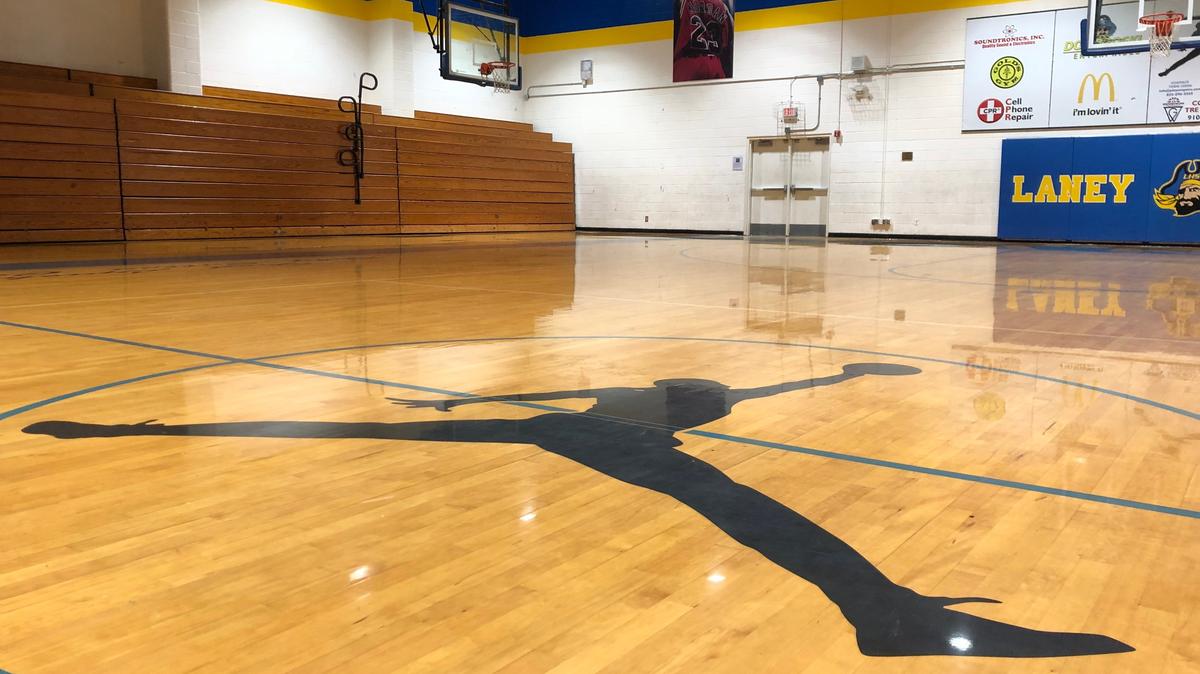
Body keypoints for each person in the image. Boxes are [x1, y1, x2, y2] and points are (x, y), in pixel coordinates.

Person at [24, 363, 1133, 658]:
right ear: (691, 407)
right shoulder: (640, 419)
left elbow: (503, 408)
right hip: (606, 447)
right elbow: (760, 394)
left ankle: (881, 610)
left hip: (579, 433)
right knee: (740, 504)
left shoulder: (622, 405)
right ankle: (882, 613)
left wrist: (455, 403)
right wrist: (127, 432)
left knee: (740, 505)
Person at [674, 0, 734, 82]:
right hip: (715, 64)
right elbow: (729, 40)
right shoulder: (722, 6)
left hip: (686, 63)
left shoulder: (682, 2)